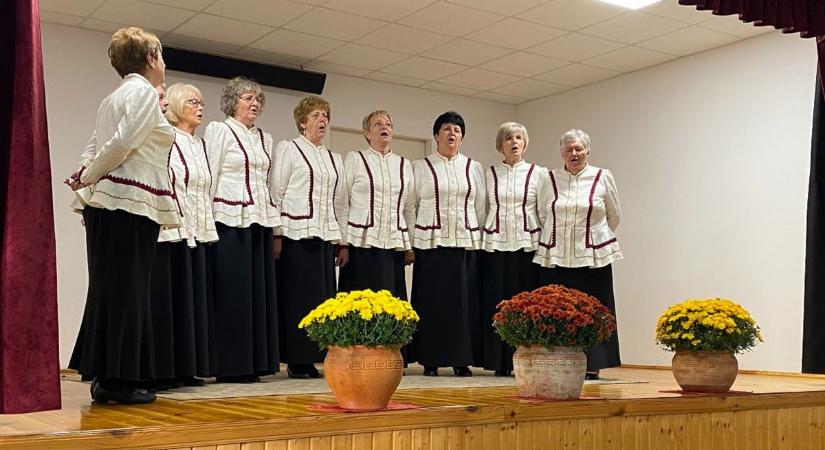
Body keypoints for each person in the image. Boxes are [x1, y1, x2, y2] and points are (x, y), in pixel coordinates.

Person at [68, 27, 178, 404]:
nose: (163, 64)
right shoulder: (145, 92)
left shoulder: (112, 97)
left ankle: (107, 375)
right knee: (128, 291)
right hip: (128, 204)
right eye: (161, 57)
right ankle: (118, 381)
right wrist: (93, 175)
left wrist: (86, 179)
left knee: (109, 290)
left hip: (108, 205)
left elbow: (95, 145)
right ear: (150, 59)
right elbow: (123, 142)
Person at [204, 76, 280, 383]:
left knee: (257, 294)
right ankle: (230, 365)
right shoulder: (218, 130)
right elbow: (210, 174)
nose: (255, 103)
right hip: (228, 219)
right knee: (232, 293)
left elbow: (268, 185)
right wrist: (206, 224)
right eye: (248, 98)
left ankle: (255, 363)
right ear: (232, 102)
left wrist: (275, 230)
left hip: (258, 222)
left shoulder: (265, 138)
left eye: (258, 99)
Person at [534, 129, 622, 380]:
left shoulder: (603, 177)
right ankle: (558, 360)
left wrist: (590, 236)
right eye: (568, 149)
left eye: (578, 149)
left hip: (592, 257)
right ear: (561, 152)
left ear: (587, 151)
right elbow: (543, 214)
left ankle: (593, 362)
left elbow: (614, 216)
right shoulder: (549, 180)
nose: (574, 153)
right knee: (557, 308)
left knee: (594, 308)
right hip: (557, 255)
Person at [272, 95, 348, 379]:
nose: (322, 120)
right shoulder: (289, 149)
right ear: (302, 121)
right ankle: (297, 359)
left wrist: (341, 240)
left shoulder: (333, 158)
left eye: (325, 116)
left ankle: (317, 356)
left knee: (322, 300)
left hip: (323, 237)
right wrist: (276, 234)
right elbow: (277, 191)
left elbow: (338, 202)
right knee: (298, 299)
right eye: (316, 115)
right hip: (295, 235)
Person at [148, 83, 217, 389]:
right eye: (193, 101)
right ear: (175, 105)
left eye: (201, 102)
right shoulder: (166, 137)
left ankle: (188, 369)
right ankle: (165, 370)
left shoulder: (200, 145)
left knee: (192, 303)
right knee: (170, 302)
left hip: (197, 232)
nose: (200, 107)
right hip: (170, 230)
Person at [410, 111, 486, 377]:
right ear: (436, 136)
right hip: (431, 244)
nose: (452, 133)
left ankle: (460, 360)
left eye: (457, 130)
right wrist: (411, 243)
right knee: (431, 302)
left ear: (462, 138)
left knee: (462, 305)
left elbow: (481, 206)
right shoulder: (421, 167)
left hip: (464, 244)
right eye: (446, 129)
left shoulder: (473, 168)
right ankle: (430, 360)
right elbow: (411, 206)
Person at [481, 122, 547, 376]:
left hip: (527, 246)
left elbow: (543, 211)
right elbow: (482, 208)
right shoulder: (489, 174)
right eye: (509, 138)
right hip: (495, 247)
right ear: (501, 145)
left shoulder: (538, 173)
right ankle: (500, 362)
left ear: (525, 143)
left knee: (526, 305)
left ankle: (528, 358)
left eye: (519, 138)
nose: (514, 142)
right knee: (498, 304)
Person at [338, 110, 415, 300]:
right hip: (360, 246)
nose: (384, 127)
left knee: (391, 304)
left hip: (392, 247)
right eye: (378, 124)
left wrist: (410, 245)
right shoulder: (355, 159)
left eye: (388, 124)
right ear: (367, 133)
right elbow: (342, 203)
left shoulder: (404, 165)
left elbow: (409, 208)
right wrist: (343, 245)